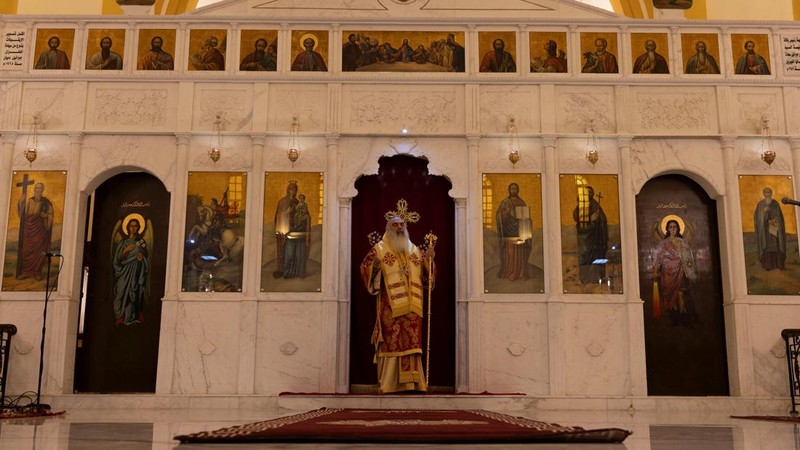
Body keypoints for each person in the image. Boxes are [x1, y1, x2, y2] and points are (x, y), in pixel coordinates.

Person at [360, 215, 435, 393]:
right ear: (388, 228)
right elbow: (365, 268)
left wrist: (430, 260)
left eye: (402, 224)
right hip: (390, 307)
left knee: (411, 343)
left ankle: (415, 383)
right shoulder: (379, 250)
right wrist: (375, 266)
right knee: (391, 342)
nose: (400, 227)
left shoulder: (415, 251)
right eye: (395, 225)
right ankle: (388, 384)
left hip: (413, 307)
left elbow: (427, 277)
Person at [652, 219, 697, 327]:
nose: (673, 229)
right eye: (671, 227)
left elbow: (688, 259)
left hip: (680, 272)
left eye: (675, 227)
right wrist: (655, 271)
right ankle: (674, 318)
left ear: (678, 228)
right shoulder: (664, 244)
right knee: (671, 298)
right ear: (667, 229)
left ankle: (684, 318)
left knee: (681, 294)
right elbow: (658, 258)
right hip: (667, 274)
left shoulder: (682, 243)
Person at [112, 218, 148, 326]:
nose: (133, 228)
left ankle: (132, 317)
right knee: (121, 293)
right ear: (127, 228)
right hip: (124, 272)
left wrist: (142, 258)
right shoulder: (123, 243)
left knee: (133, 292)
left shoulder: (141, 243)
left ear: (138, 228)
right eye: (131, 226)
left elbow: (145, 257)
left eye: (135, 226)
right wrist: (126, 251)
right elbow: (118, 260)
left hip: (135, 273)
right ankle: (120, 317)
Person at [16, 182, 54, 280]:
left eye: (40, 188)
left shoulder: (46, 203)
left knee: (39, 251)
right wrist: (21, 203)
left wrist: (46, 217)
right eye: (36, 188)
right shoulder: (30, 201)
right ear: (34, 190)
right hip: (29, 231)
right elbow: (23, 216)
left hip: (40, 231)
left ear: (43, 190)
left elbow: (50, 215)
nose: (38, 190)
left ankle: (37, 272)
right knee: (26, 251)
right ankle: (25, 272)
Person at [495, 183, 532, 281]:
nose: (513, 190)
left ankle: (520, 273)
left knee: (520, 253)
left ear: (518, 190)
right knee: (510, 253)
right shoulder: (505, 203)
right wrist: (505, 213)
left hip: (520, 231)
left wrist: (526, 218)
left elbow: (526, 217)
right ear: (509, 190)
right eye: (512, 189)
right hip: (508, 232)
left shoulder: (522, 202)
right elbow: (499, 216)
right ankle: (510, 272)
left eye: (515, 189)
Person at [572, 186, 608, 284]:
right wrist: (590, 219)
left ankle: (596, 278)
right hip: (584, 237)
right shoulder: (581, 205)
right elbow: (576, 216)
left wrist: (597, 221)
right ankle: (584, 278)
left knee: (596, 257)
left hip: (595, 238)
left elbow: (603, 220)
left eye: (589, 193)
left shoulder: (596, 206)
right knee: (584, 257)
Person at [753, 187, 786, 270]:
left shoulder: (775, 203)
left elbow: (779, 216)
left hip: (774, 227)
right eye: (766, 192)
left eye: (769, 192)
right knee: (767, 247)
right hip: (765, 230)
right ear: (764, 194)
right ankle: (768, 266)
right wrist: (763, 212)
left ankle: (778, 265)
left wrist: (773, 215)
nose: (768, 194)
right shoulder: (761, 204)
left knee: (776, 246)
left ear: (771, 193)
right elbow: (757, 217)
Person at [282, 193, 311, 278]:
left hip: (300, 237)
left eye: (302, 198)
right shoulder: (294, 211)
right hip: (291, 236)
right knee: (289, 254)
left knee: (299, 254)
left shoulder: (304, 213)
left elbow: (306, 219)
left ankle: (300, 273)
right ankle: (289, 272)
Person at [273, 181, 299, 277]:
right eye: (291, 189)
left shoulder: (297, 202)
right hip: (283, 228)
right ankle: (281, 270)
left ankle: (291, 270)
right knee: (282, 250)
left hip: (294, 230)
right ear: (288, 190)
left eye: (295, 189)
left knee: (292, 251)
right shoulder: (282, 201)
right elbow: (278, 215)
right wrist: (287, 213)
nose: (293, 191)